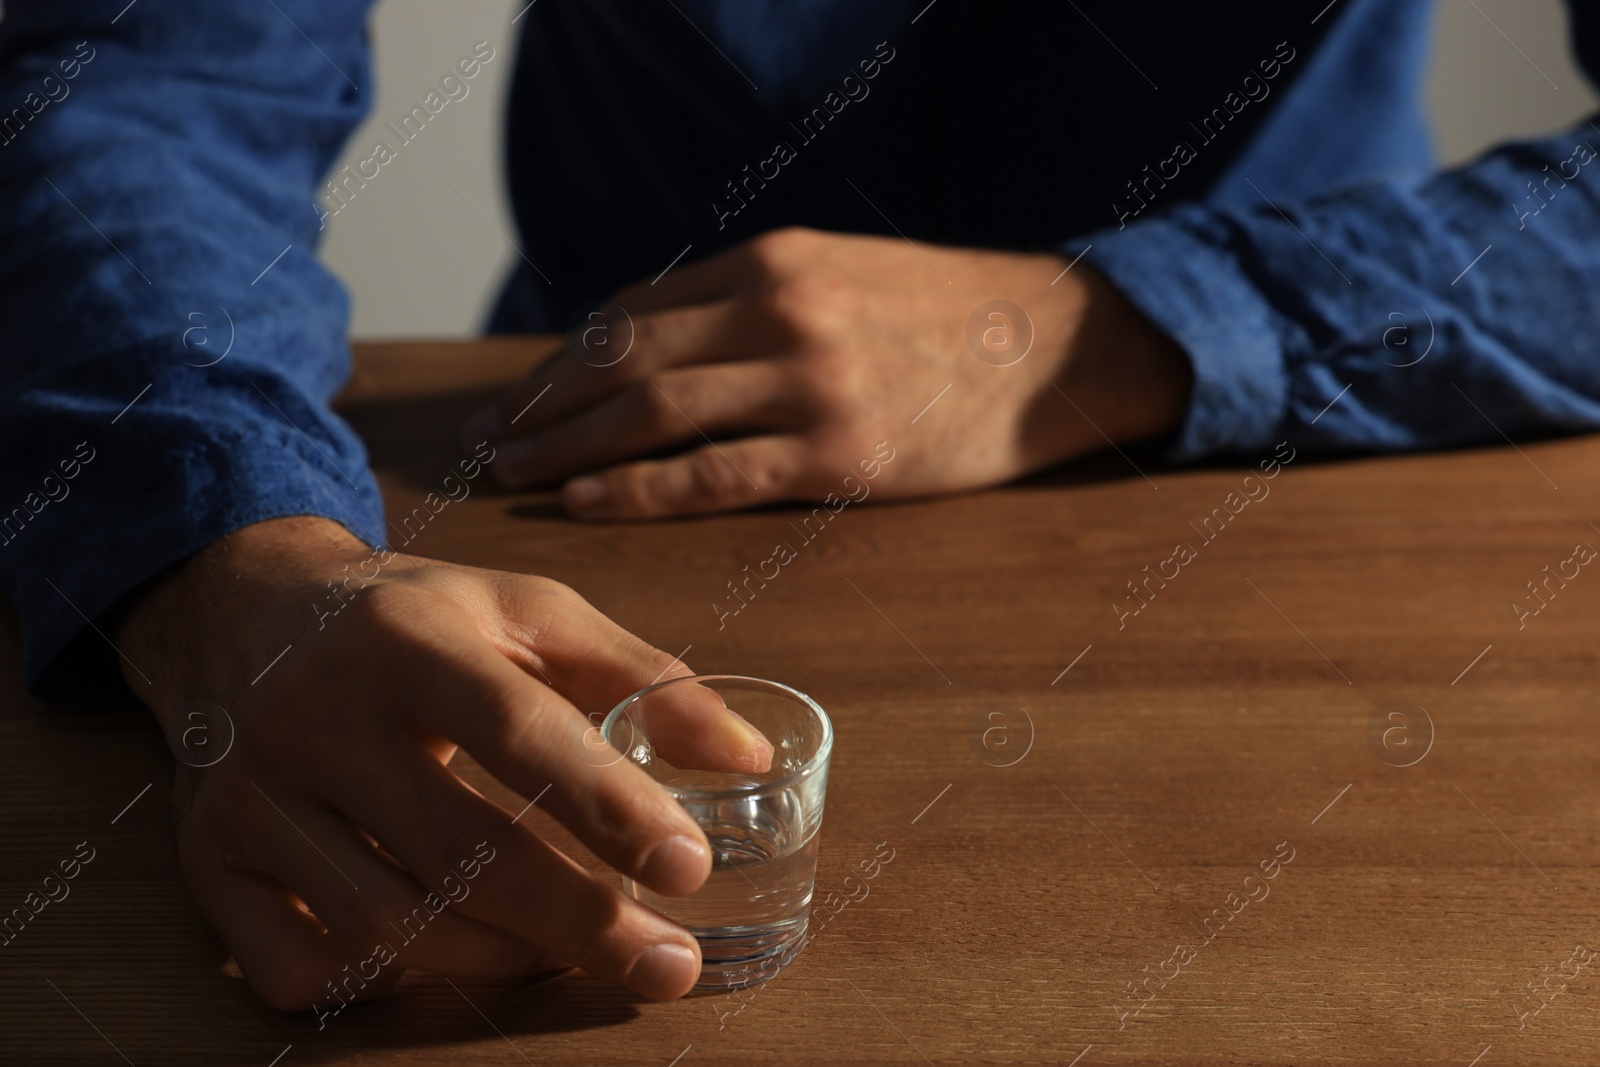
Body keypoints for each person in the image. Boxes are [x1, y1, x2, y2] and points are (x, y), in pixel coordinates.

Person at [0, 0, 1596, 1012]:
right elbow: (141, 67)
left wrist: (1099, 329)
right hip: (575, 487)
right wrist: (225, 548)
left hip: (1325, 501)